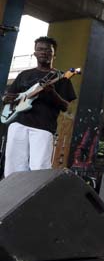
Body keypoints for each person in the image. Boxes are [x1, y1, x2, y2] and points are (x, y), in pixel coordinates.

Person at [2, 36, 77, 178]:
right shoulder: (24, 75)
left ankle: (38, 198)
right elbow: (9, 97)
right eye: (40, 49)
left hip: (43, 127)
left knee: (40, 168)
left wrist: (52, 92)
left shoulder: (62, 78)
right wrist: (5, 98)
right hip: (17, 123)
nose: (44, 52)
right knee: (13, 167)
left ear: (54, 54)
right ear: (35, 53)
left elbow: (66, 107)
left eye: (48, 50)